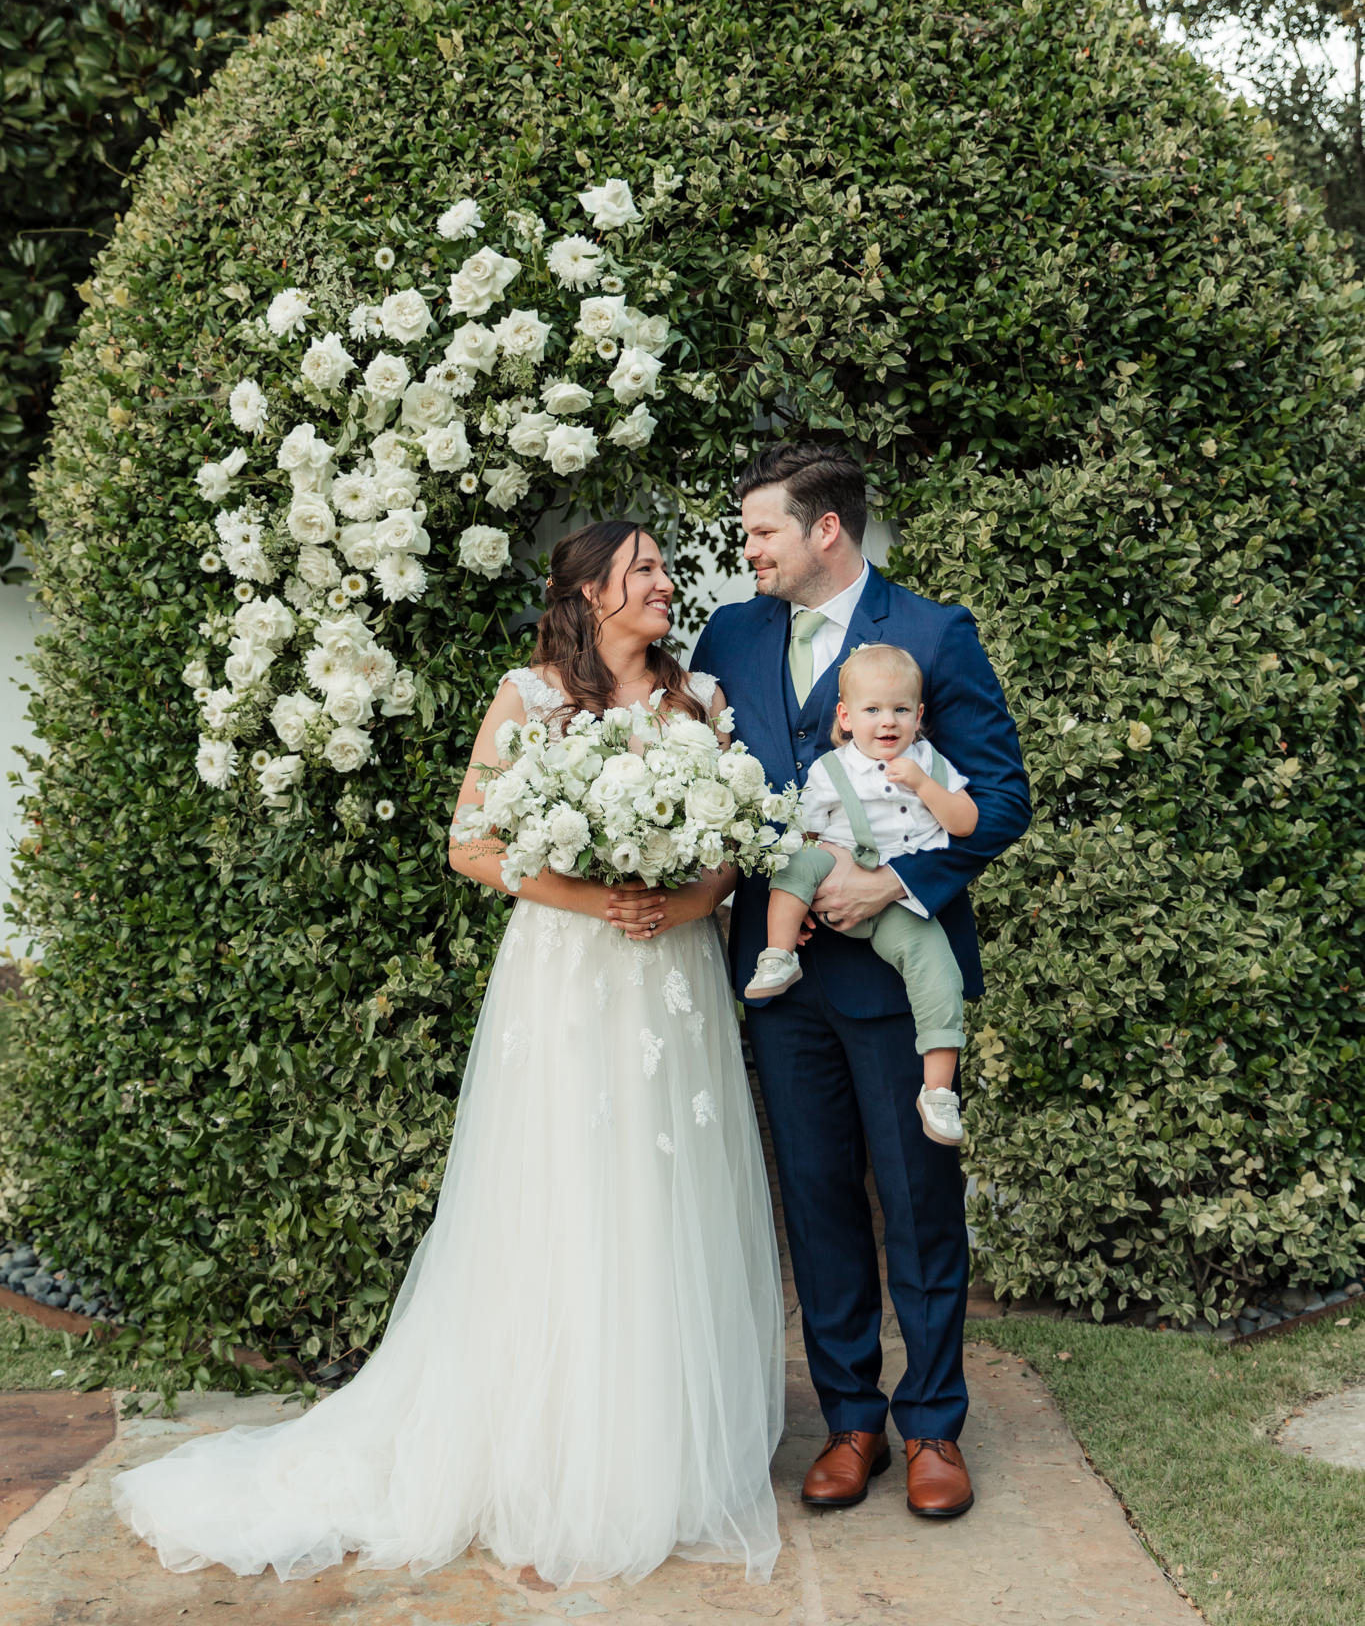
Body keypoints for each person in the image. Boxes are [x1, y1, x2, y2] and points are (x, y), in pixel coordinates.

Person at [112, 521, 784, 1590]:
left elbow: (734, 859)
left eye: (663, 567)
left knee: (668, 1194)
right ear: (591, 590)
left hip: (672, 979)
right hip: (567, 975)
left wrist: (680, 896)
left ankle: (657, 1445)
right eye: (645, 567)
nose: (665, 582)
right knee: (564, 1193)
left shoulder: (695, 700)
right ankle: (541, 1452)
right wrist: (595, 894)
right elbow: (471, 842)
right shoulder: (529, 694)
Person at [690, 444, 1030, 1521]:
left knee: (919, 1200)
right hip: (778, 973)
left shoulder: (935, 632)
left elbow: (1005, 799)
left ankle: (933, 1424)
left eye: (762, 532)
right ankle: (850, 1418)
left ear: (825, 528)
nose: (747, 551)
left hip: (895, 973)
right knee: (818, 1197)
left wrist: (892, 883)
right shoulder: (728, 634)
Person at [746, 642, 977, 1149]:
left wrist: (922, 783)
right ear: (846, 717)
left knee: (939, 972)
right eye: (872, 710)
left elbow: (965, 823)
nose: (887, 722)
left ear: (918, 716)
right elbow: (801, 830)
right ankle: (778, 954)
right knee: (794, 864)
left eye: (899, 710)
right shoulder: (833, 770)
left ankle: (937, 1093)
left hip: (898, 900)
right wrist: (817, 876)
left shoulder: (929, 764)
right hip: (838, 869)